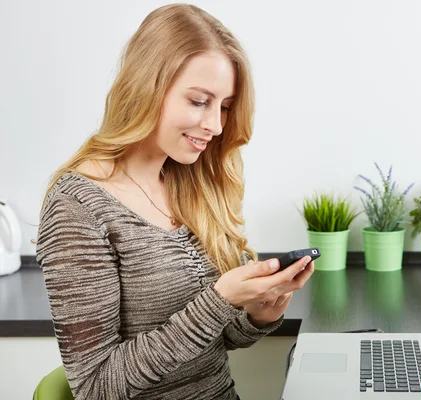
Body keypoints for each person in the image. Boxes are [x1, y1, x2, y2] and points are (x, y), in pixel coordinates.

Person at [35, 4, 314, 399]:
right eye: (199, 101)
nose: (216, 125)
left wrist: (257, 314)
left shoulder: (189, 183)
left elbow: (213, 343)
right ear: (147, 85)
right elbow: (95, 387)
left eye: (224, 107)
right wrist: (219, 300)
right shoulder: (78, 208)